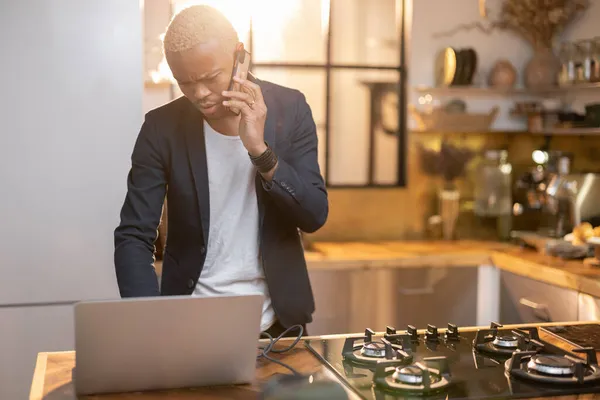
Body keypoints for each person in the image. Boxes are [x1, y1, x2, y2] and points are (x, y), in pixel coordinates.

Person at [114, 5, 328, 337]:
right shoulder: (161, 128)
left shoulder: (291, 109)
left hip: (277, 326)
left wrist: (260, 151)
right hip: (188, 324)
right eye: (185, 82)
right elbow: (133, 236)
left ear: (239, 56)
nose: (199, 93)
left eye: (210, 78)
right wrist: (148, 326)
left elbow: (314, 214)